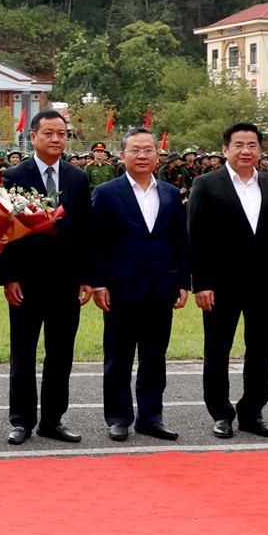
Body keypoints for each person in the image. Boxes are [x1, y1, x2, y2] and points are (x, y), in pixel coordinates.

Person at [185, 122, 268, 440]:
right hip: (220, 285)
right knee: (218, 350)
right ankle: (221, 413)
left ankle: (252, 412)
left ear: (261, 151)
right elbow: (197, 237)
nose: (246, 150)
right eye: (239, 145)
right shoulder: (206, 184)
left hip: (265, 283)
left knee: (261, 349)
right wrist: (201, 283)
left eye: (252, 145)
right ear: (225, 150)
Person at [0, 109, 93, 445]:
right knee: (23, 351)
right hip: (26, 279)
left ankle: (53, 419)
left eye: (62, 134)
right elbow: (4, 229)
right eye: (49, 133)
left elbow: (85, 232)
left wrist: (86, 277)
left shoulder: (77, 178)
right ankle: (22, 420)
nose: (56, 139)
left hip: (66, 281)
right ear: (33, 136)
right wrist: (8, 276)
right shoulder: (14, 175)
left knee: (61, 352)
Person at [90, 127, 190, 442]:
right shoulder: (107, 192)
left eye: (148, 150)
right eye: (135, 149)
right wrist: (99, 284)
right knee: (118, 357)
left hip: (161, 286)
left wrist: (183, 281)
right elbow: (98, 244)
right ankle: (118, 417)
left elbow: (179, 241)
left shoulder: (171, 194)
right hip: (120, 287)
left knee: (154, 357)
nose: (142, 155)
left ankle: (151, 417)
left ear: (157, 156)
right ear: (122, 156)